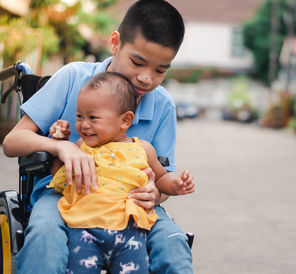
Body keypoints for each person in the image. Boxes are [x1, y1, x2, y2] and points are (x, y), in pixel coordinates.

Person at [2, 0, 193, 273]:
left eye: (160, 70)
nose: (146, 78)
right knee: (45, 236)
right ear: (115, 43)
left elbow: (163, 180)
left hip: (130, 200)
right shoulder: (73, 78)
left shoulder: (162, 105)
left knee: (174, 244)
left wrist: (156, 193)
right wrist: (63, 148)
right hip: (65, 194)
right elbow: (12, 142)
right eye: (137, 62)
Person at [48, 71, 194, 273]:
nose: (83, 124)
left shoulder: (142, 149)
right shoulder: (81, 147)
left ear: (126, 120)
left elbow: (160, 177)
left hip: (131, 232)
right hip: (84, 229)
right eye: (79, 116)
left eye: (93, 117)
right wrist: (60, 145)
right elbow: (59, 177)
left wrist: (176, 185)